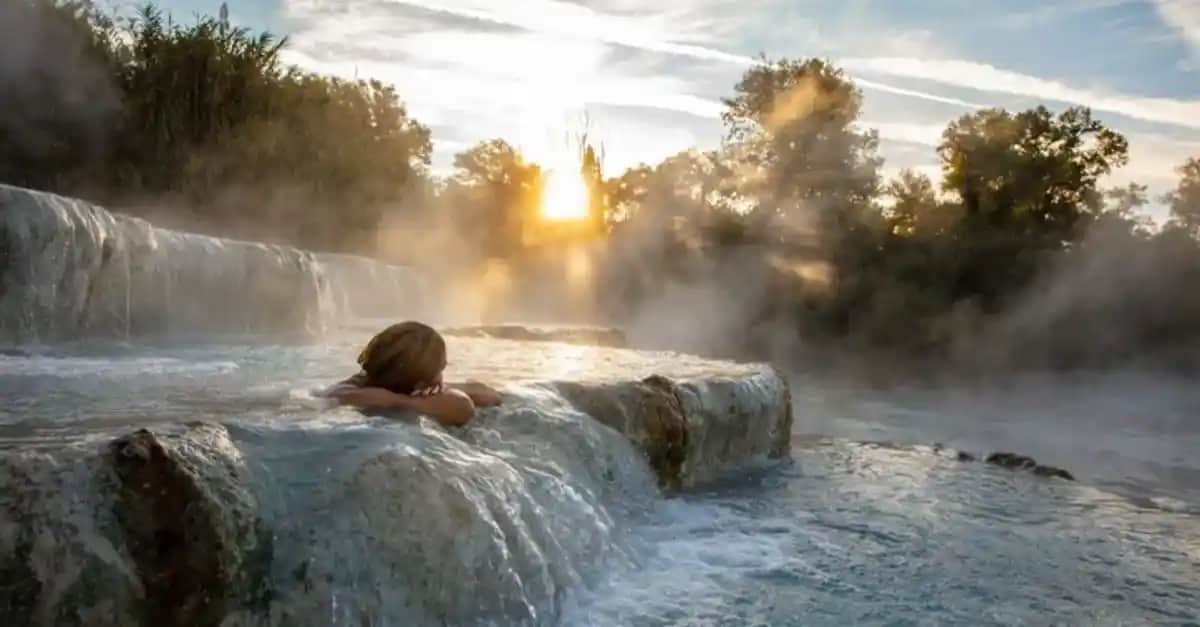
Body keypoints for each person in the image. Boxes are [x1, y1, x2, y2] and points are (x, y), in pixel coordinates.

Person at [327, 321, 502, 426]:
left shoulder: (358, 387)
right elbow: (463, 406)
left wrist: (404, 399)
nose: (442, 376)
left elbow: (488, 395)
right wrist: (409, 400)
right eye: (441, 368)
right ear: (420, 382)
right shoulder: (354, 390)